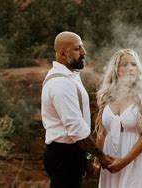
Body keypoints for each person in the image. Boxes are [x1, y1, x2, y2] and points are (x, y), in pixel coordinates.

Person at [41, 31, 112, 188]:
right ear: (62, 54)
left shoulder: (69, 75)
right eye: (77, 48)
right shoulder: (61, 83)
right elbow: (76, 128)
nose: (84, 52)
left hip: (70, 153)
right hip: (64, 155)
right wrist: (100, 156)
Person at [95, 49, 142, 188]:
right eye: (124, 65)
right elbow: (102, 131)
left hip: (136, 159)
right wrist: (97, 158)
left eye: (133, 64)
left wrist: (123, 161)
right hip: (109, 157)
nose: (130, 68)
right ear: (116, 70)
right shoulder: (105, 96)